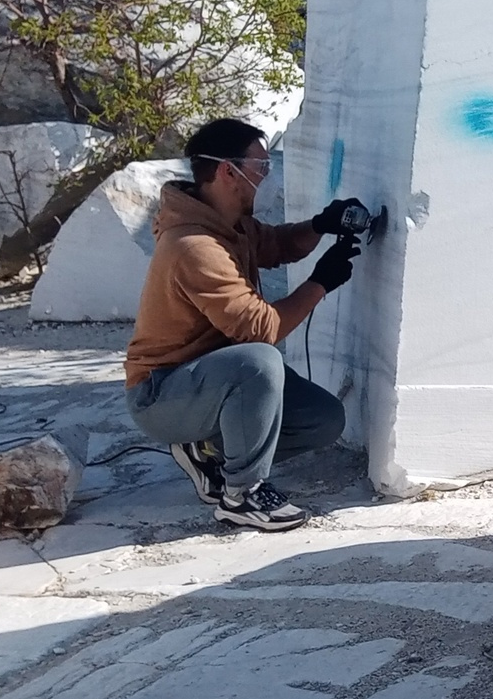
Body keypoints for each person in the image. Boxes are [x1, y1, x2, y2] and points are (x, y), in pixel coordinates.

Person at [124, 116, 366, 532]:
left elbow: (277, 243)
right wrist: (320, 283)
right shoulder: (196, 246)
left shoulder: (229, 225)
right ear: (227, 170)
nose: (266, 175)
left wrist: (322, 224)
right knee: (260, 360)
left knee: (323, 419)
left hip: (208, 380)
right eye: (261, 167)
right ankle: (242, 494)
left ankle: (208, 451)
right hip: (162, 392)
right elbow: (261, 328)